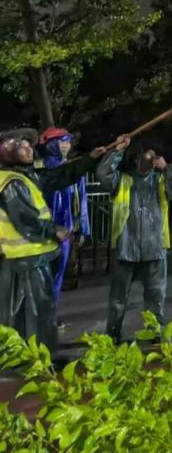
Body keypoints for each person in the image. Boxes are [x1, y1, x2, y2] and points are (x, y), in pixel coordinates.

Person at [0, 127, 110, 352]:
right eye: (22, 146)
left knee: (37, 314)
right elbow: (25, 218)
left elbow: (59, 176)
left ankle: (40, 356)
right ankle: (35, 360)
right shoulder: (11, 182)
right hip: (24, 263)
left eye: (29, 145)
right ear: (7, 151)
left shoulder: (25, 177)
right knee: (34, 316)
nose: (29, 149)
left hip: (32, 259)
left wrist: (89, 159)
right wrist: (53, 230)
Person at [97, 136, 172, 343]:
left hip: (154, 249)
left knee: (155, 298)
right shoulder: (121, 180)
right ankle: (112, 336)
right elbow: (103, 173)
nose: (155, 157)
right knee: (118, 300)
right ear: (137, 157)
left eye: (157, 154)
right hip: (125, 248)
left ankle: (156, 334)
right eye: (150, 153)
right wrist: (117, 151)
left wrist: (167, 168)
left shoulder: (161, 180)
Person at [37, 126, 91, 328]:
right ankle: (42, 315)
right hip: (45, 232)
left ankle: (50, 314)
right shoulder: (40, 170)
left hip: (65, 231)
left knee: (58, 274)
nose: (66, 146)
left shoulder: (72, 169)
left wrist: (82, 228)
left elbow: (81, 199)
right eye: (62, 142)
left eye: (67, 142)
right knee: (44, 276)